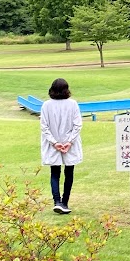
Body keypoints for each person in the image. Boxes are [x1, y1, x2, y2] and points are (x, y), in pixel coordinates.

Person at [40, 78, 83, 214]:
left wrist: (55, 142)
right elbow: (77, 125)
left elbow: (44, 126)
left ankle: (57, 202)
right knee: (69, 172)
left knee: (55, 172)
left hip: (54, 144)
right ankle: (64, 202)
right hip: (69, 144)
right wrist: (69, 142)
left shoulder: (46, 105)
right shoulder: (73, 104)